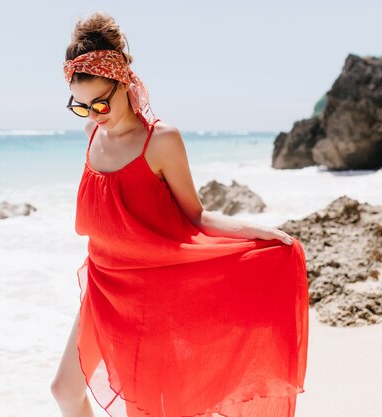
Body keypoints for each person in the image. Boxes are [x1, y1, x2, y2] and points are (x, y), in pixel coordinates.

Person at [51, 11, 309, 417]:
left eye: (101, 102)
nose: (94, 114)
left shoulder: (161, 140)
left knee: (147, 410)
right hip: (103, 287)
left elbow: (197, 216)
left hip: (154, 293)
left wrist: (258, 232)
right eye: (81, 107)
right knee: (65, 389)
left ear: (125, 83)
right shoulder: (93, 134)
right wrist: (94, 117)